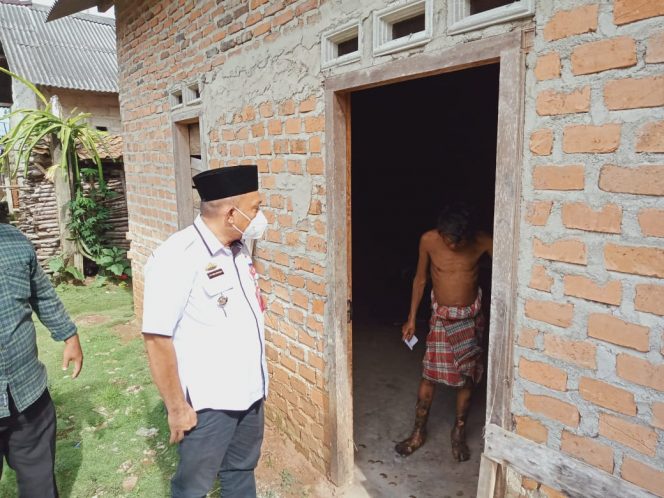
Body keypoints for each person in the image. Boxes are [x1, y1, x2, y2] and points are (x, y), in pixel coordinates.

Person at [142, 165, 269, 498]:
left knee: (241, 471)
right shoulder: (177, 256)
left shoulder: (239, 250)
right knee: (193, 488)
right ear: (231, 214)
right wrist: (176, 408)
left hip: (251, 393)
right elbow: (157, 339)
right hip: (209, 405)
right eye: (255, 208)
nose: (260, 216)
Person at [396, 201, 492, 462]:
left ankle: (458, 434)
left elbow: (507, 270)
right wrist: (411, 318)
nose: (453, 246)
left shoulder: (482, 242)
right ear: (440, 232)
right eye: (449, 240)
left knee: (467, 379)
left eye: (459, 241)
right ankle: (418, 432)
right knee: (428, 376)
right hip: (440, 318)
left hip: (470, 319)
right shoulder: (429, 240)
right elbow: (421, 279)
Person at [0, 223, 84, 497]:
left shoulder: (13, 240)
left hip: (28, 391)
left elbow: (42, 295)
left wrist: (69, 336)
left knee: (40, 486)